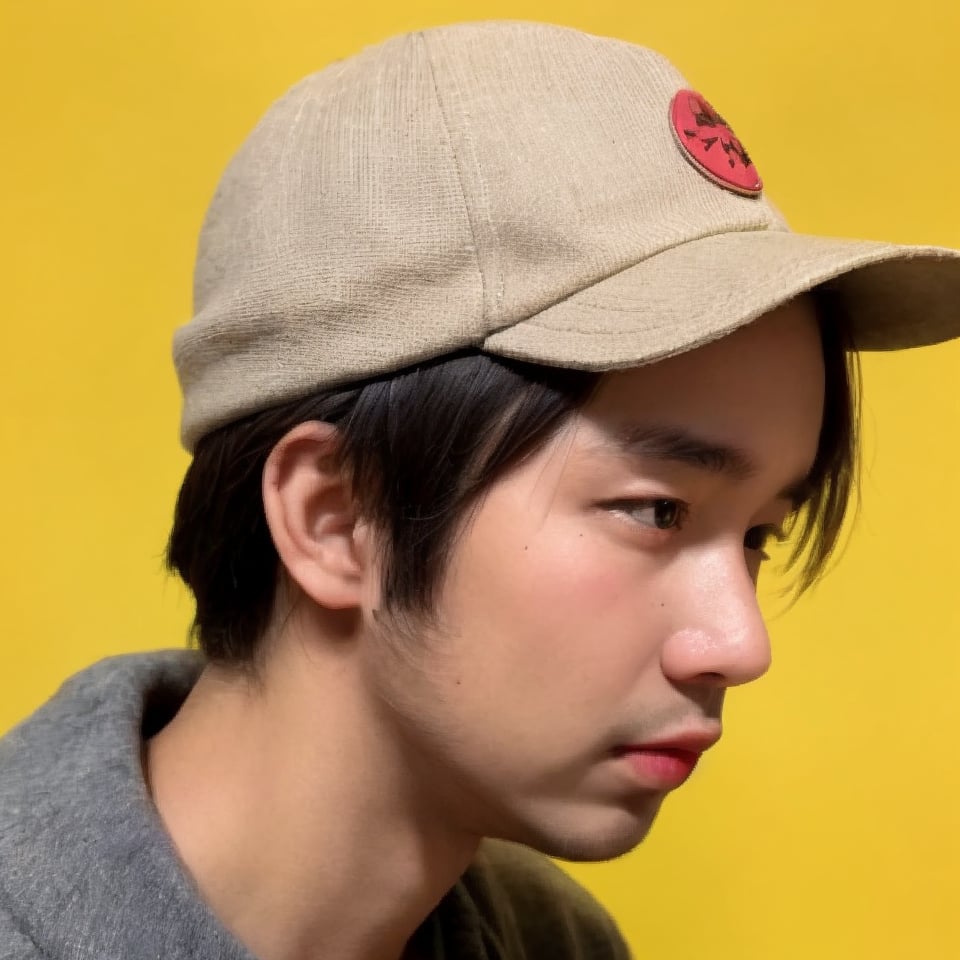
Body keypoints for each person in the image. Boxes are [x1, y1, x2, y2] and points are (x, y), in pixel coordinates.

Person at [1, 20, 958, 960]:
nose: (741, 646)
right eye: (656, 511)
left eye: (758, 537)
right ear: (335, 518)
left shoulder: (556, 942)